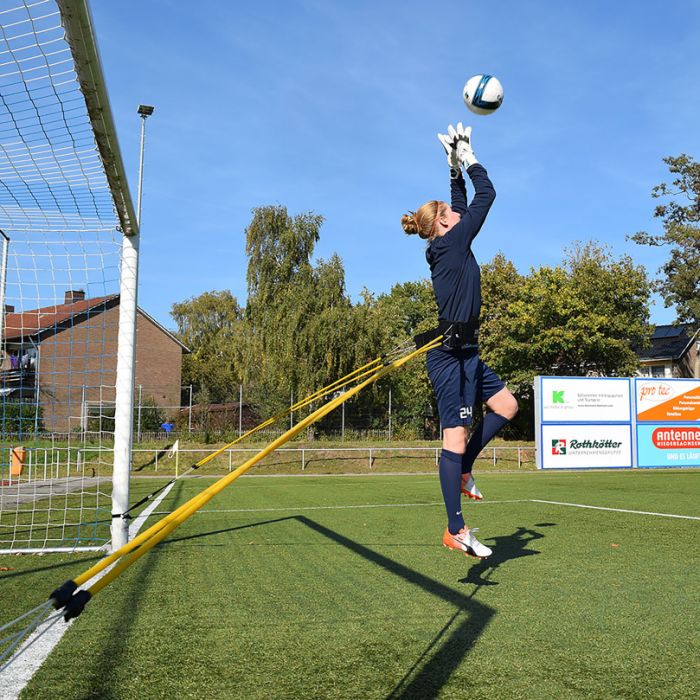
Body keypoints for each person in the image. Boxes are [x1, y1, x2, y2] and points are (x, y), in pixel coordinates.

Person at [401, 124, 518, 559]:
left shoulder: (449, 239)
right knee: (454, 438)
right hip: (448, 359)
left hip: (467, 350)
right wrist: (469, 157)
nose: (458, 211)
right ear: (446, 223)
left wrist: (451, 167)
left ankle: (465, 469)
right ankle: (456, 529)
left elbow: (464, 203)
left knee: (507, 405)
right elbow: (484, 196)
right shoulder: (452, 243)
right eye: (452, 211)